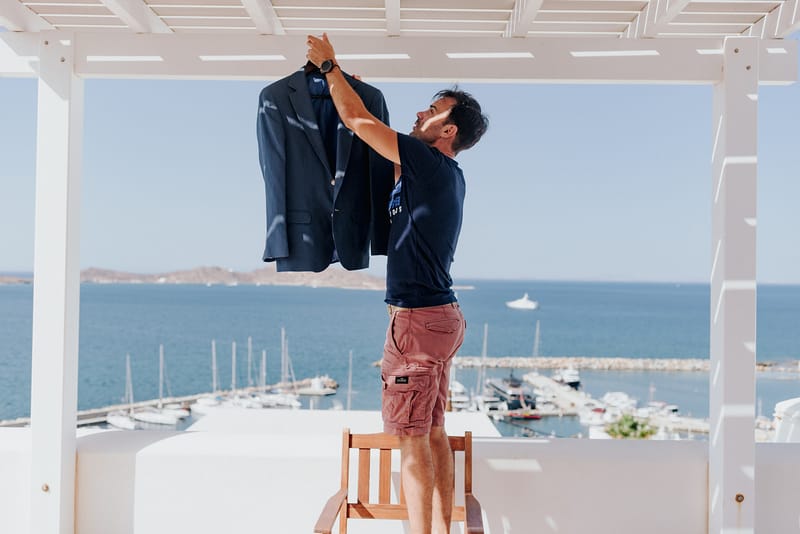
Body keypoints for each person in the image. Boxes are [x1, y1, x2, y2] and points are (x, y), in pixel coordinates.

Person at [307, 33, 488, 534]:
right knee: (430, 434)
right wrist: (353, 88)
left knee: (412, 442)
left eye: (431, 110)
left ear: (447, 129)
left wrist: (329, 68)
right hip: (439, 318)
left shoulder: (429, 163)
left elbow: (359, 124)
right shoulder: (439, 172)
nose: (418, 114)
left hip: (418, 322)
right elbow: (379, 140)